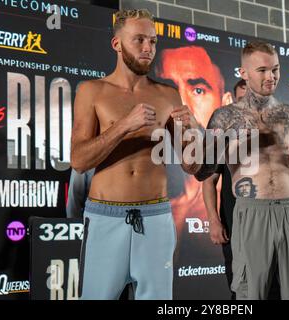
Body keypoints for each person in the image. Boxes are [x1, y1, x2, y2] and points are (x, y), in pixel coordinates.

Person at [192, 40, 289, 300]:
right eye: (262, 70)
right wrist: (208, 144)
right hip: (251, 212)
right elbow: (204, 172)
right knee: (251, 294)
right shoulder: (224, 117)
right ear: (244, 73)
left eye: (275, 69)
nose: (271, 77)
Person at [70, 9, 199, 300]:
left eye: (153, 41)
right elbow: (78, 160)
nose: (148, 48)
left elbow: (192, 165)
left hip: (156, 218)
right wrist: (124, 126)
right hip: (105, 218)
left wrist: (193, 133)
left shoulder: (168, 95)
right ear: (117, 44)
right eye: (139, 39)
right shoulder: (93, 91)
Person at [203, 79, 289, 300]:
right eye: (245, 95)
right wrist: (213, 219)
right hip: (241, 222)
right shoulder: (225, 130)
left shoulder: (281, 128)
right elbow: (207, 179)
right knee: (248, 291)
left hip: (285, 218)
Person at [155, 46, 233, 237]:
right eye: (169, 90)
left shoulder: (245, 191)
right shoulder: (151, 201)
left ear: (225, 103)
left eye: (198, 90)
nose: (182, 104)